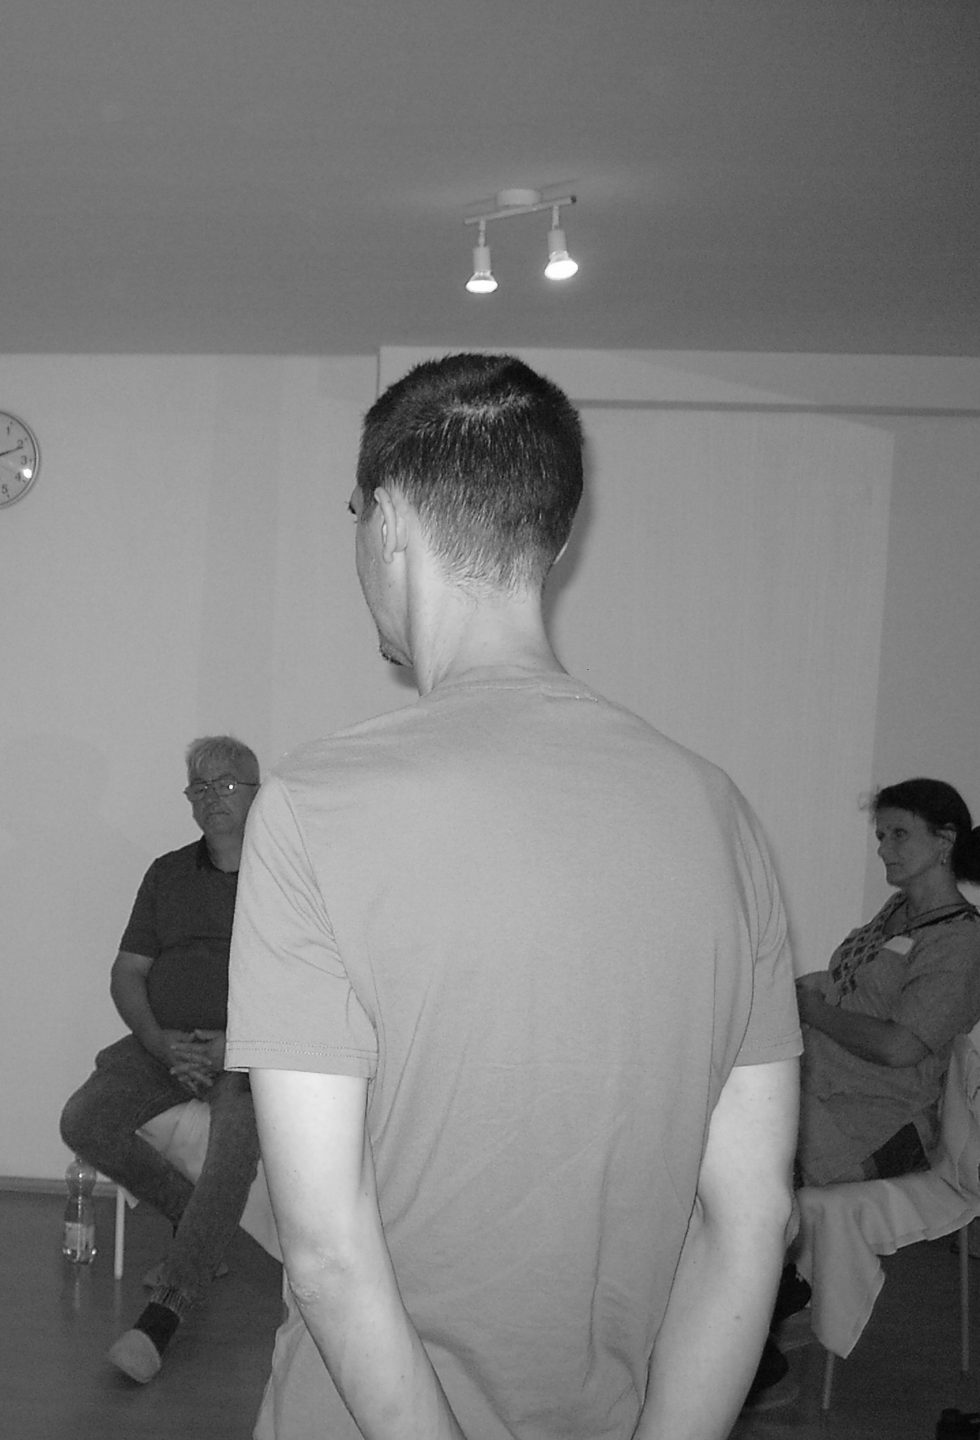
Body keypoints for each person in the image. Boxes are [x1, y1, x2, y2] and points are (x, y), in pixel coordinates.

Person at [225, 353, 802, 1440]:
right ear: (557, 537)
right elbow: (754, 1218)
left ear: (389, 520)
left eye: (353, 516)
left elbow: (328, 1253)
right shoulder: (719, 813)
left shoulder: (311, 808)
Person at [59, 736, 266, 1384]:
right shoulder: (167, 873)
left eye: (226, 784)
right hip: (165, 1041)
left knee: (236, 1139)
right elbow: (128, 972)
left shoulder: (289, 874)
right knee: (84, 1119)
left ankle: (168, 1309)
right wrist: (159, 1043)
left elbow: (306, 983)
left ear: (258, 793)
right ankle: (193, 1220)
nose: (212, 797)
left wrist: (235, 1044)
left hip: (251, 1051)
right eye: (199, 787)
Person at [798, 779, 980, 1186]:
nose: (883, 849)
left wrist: (814, 1011)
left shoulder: (961, 939)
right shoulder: (898, 907)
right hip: (820, 1084)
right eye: (881, 836)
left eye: (899, 834)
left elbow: (900, 1046)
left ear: (945, 841)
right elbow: (863, 983)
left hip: (876, 1115)